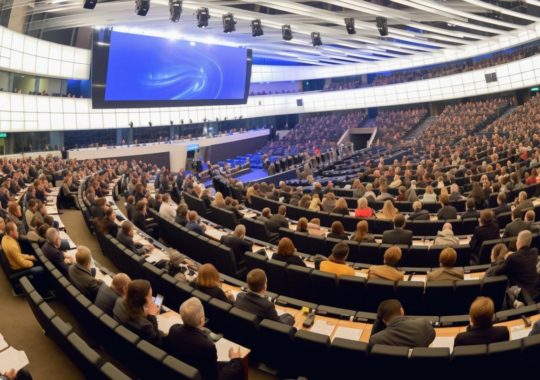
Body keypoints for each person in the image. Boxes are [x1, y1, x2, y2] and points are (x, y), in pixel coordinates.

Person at [166, 297, 243, 380]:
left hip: (182, 370)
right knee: (237, 364)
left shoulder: (173, 329)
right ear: (202, 319)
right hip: (203, 375)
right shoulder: (207, 345)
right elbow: (213, 376)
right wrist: (235, 360)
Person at [491, 230, 540, 305]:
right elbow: (523, 255)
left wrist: (505, 259)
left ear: (519, 243)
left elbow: (496, 272)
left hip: (525, 296)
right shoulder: (535, 252)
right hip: (538, 292)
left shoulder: (512, 258)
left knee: (507, 286)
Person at [113, 279, 162, 346]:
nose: (152, 300)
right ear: (143, 299)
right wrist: (152, 315)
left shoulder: (119, 301)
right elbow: (158, 343)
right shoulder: (145, 325)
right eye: (150, 296)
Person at [369, 299, 435, 347]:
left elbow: (372, 347)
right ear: (402, 311)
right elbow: (431, 336)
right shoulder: (423, 324)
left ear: (383, 320)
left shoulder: (376, 340)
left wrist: (378, 319)